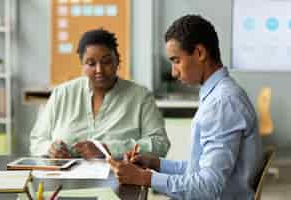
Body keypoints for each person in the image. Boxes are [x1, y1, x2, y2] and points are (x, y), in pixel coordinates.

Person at [108, 15, 263, 199]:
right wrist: (155, 163)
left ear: (199, 53)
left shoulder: (222, 103)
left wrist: (145, 178)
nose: (174, 72)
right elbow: (197, 169)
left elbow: (207, 187)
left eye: (176, 60)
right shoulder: (218, 95)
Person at [30, 29, 170, 159]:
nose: (99, 70)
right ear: (82, 65)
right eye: (91, 63)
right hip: (66, 180)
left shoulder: (140, 96)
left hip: (120, 179)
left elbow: (160, 144)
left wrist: (108, 149)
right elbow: (37, 140)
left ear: (117, 61)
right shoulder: (62, 94)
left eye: (106, 62)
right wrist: (50, 149)